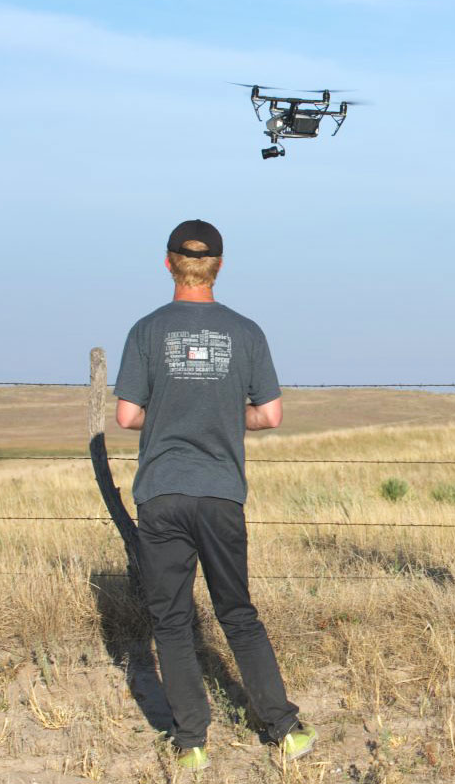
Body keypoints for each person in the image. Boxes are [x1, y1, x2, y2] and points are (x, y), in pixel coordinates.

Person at [114, 219, 316, 769]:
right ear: (218, 267)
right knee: (237, 612)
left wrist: (171, 413)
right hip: (221, 493)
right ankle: (283, 727)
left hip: (161, 492)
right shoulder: (246, 332)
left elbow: (127, 415)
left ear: (168, 264)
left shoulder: (146, 331)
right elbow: (270, 416)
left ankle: (191, 743)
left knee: (172, 620)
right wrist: (226, 414)